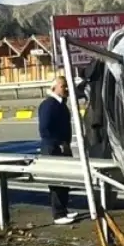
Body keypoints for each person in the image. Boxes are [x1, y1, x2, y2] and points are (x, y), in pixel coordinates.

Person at [37, 76, 78, 225]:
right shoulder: (49, 104)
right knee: (57, 181)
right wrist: (59, 143)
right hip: (53, 148)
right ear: (54, 88)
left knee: (65, 180)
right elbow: (44, 129)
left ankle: (64, 210)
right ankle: (58, 214)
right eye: (63, 86)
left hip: (62, 146)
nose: (66, 89)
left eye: (67, 86)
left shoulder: (61, 104)